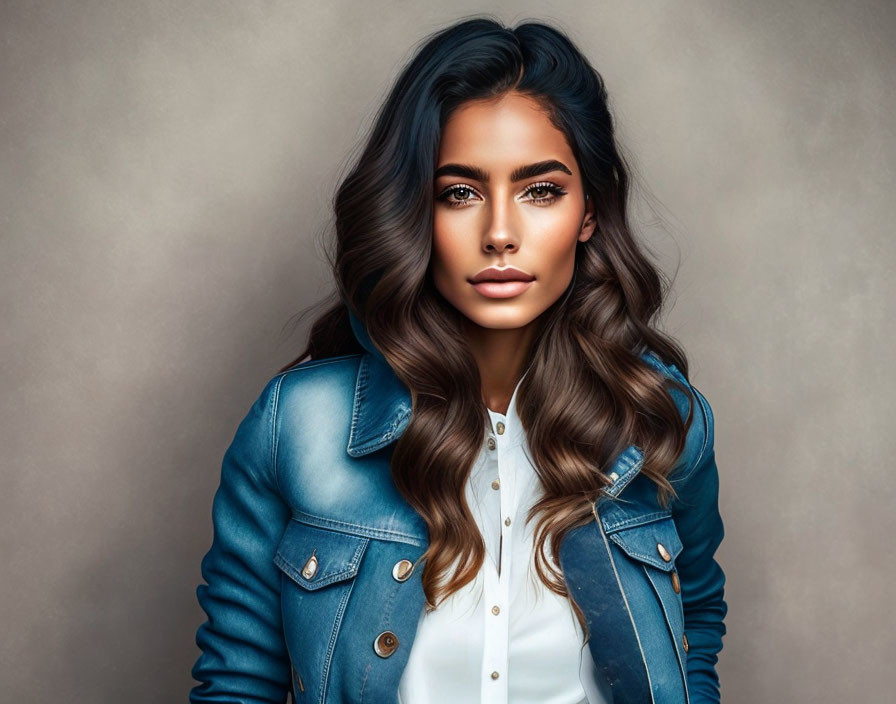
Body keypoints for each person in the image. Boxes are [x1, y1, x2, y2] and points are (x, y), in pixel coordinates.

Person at [189, 16, 727, 704]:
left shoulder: (663, 422)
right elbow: (237, 684)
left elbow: (695, 630)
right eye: (460, 193)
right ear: (416, 211)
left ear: (589, 212)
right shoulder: (299, 425)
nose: (500, 233)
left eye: (541, 191)